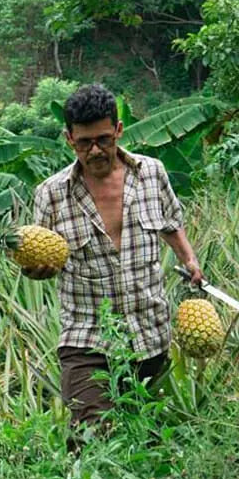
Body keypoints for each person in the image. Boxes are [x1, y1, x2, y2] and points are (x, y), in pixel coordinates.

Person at [33, 84, 203, 451]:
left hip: (149, 331)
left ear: (119, 130)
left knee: (146, 440)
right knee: (92, 440)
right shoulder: (51, 194)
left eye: (104, 140)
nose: (95, 151)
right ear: (68, 139)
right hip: (86, 336)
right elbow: (38, 255)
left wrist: (189, 258)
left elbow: (171, 221)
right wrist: (36, 268)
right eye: (83, 143)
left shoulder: (152, 174)